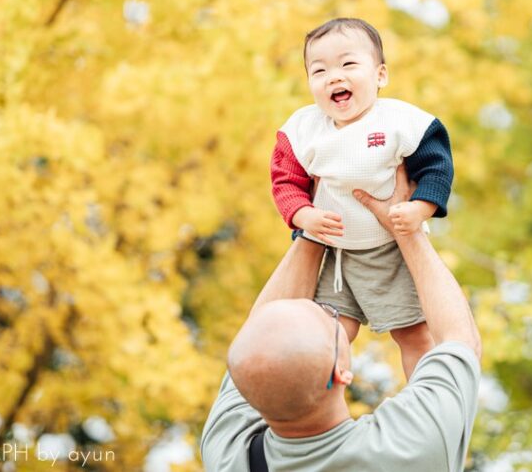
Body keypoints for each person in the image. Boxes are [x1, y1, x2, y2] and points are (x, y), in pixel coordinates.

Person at [200, 165, 481, 471]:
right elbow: (458, 341)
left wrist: (317, 223)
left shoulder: (231, 456)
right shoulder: (410, 447)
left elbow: (261, 345)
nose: (330, 308)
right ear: (341, 372)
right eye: (330, 318)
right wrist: (406, 230)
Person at [270, 18, 454, 377]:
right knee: (328, 332)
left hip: (391, 249)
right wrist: (303, 215)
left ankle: (421, 399)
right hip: (336, 254)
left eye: (348, 64)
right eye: (319, 70)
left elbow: (437, 167)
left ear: (380, 75)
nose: (334, 77)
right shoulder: (303, 130)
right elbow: (285, 181)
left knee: (415, 334)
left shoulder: (400, 122)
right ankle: (329, 394)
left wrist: (420, 208)